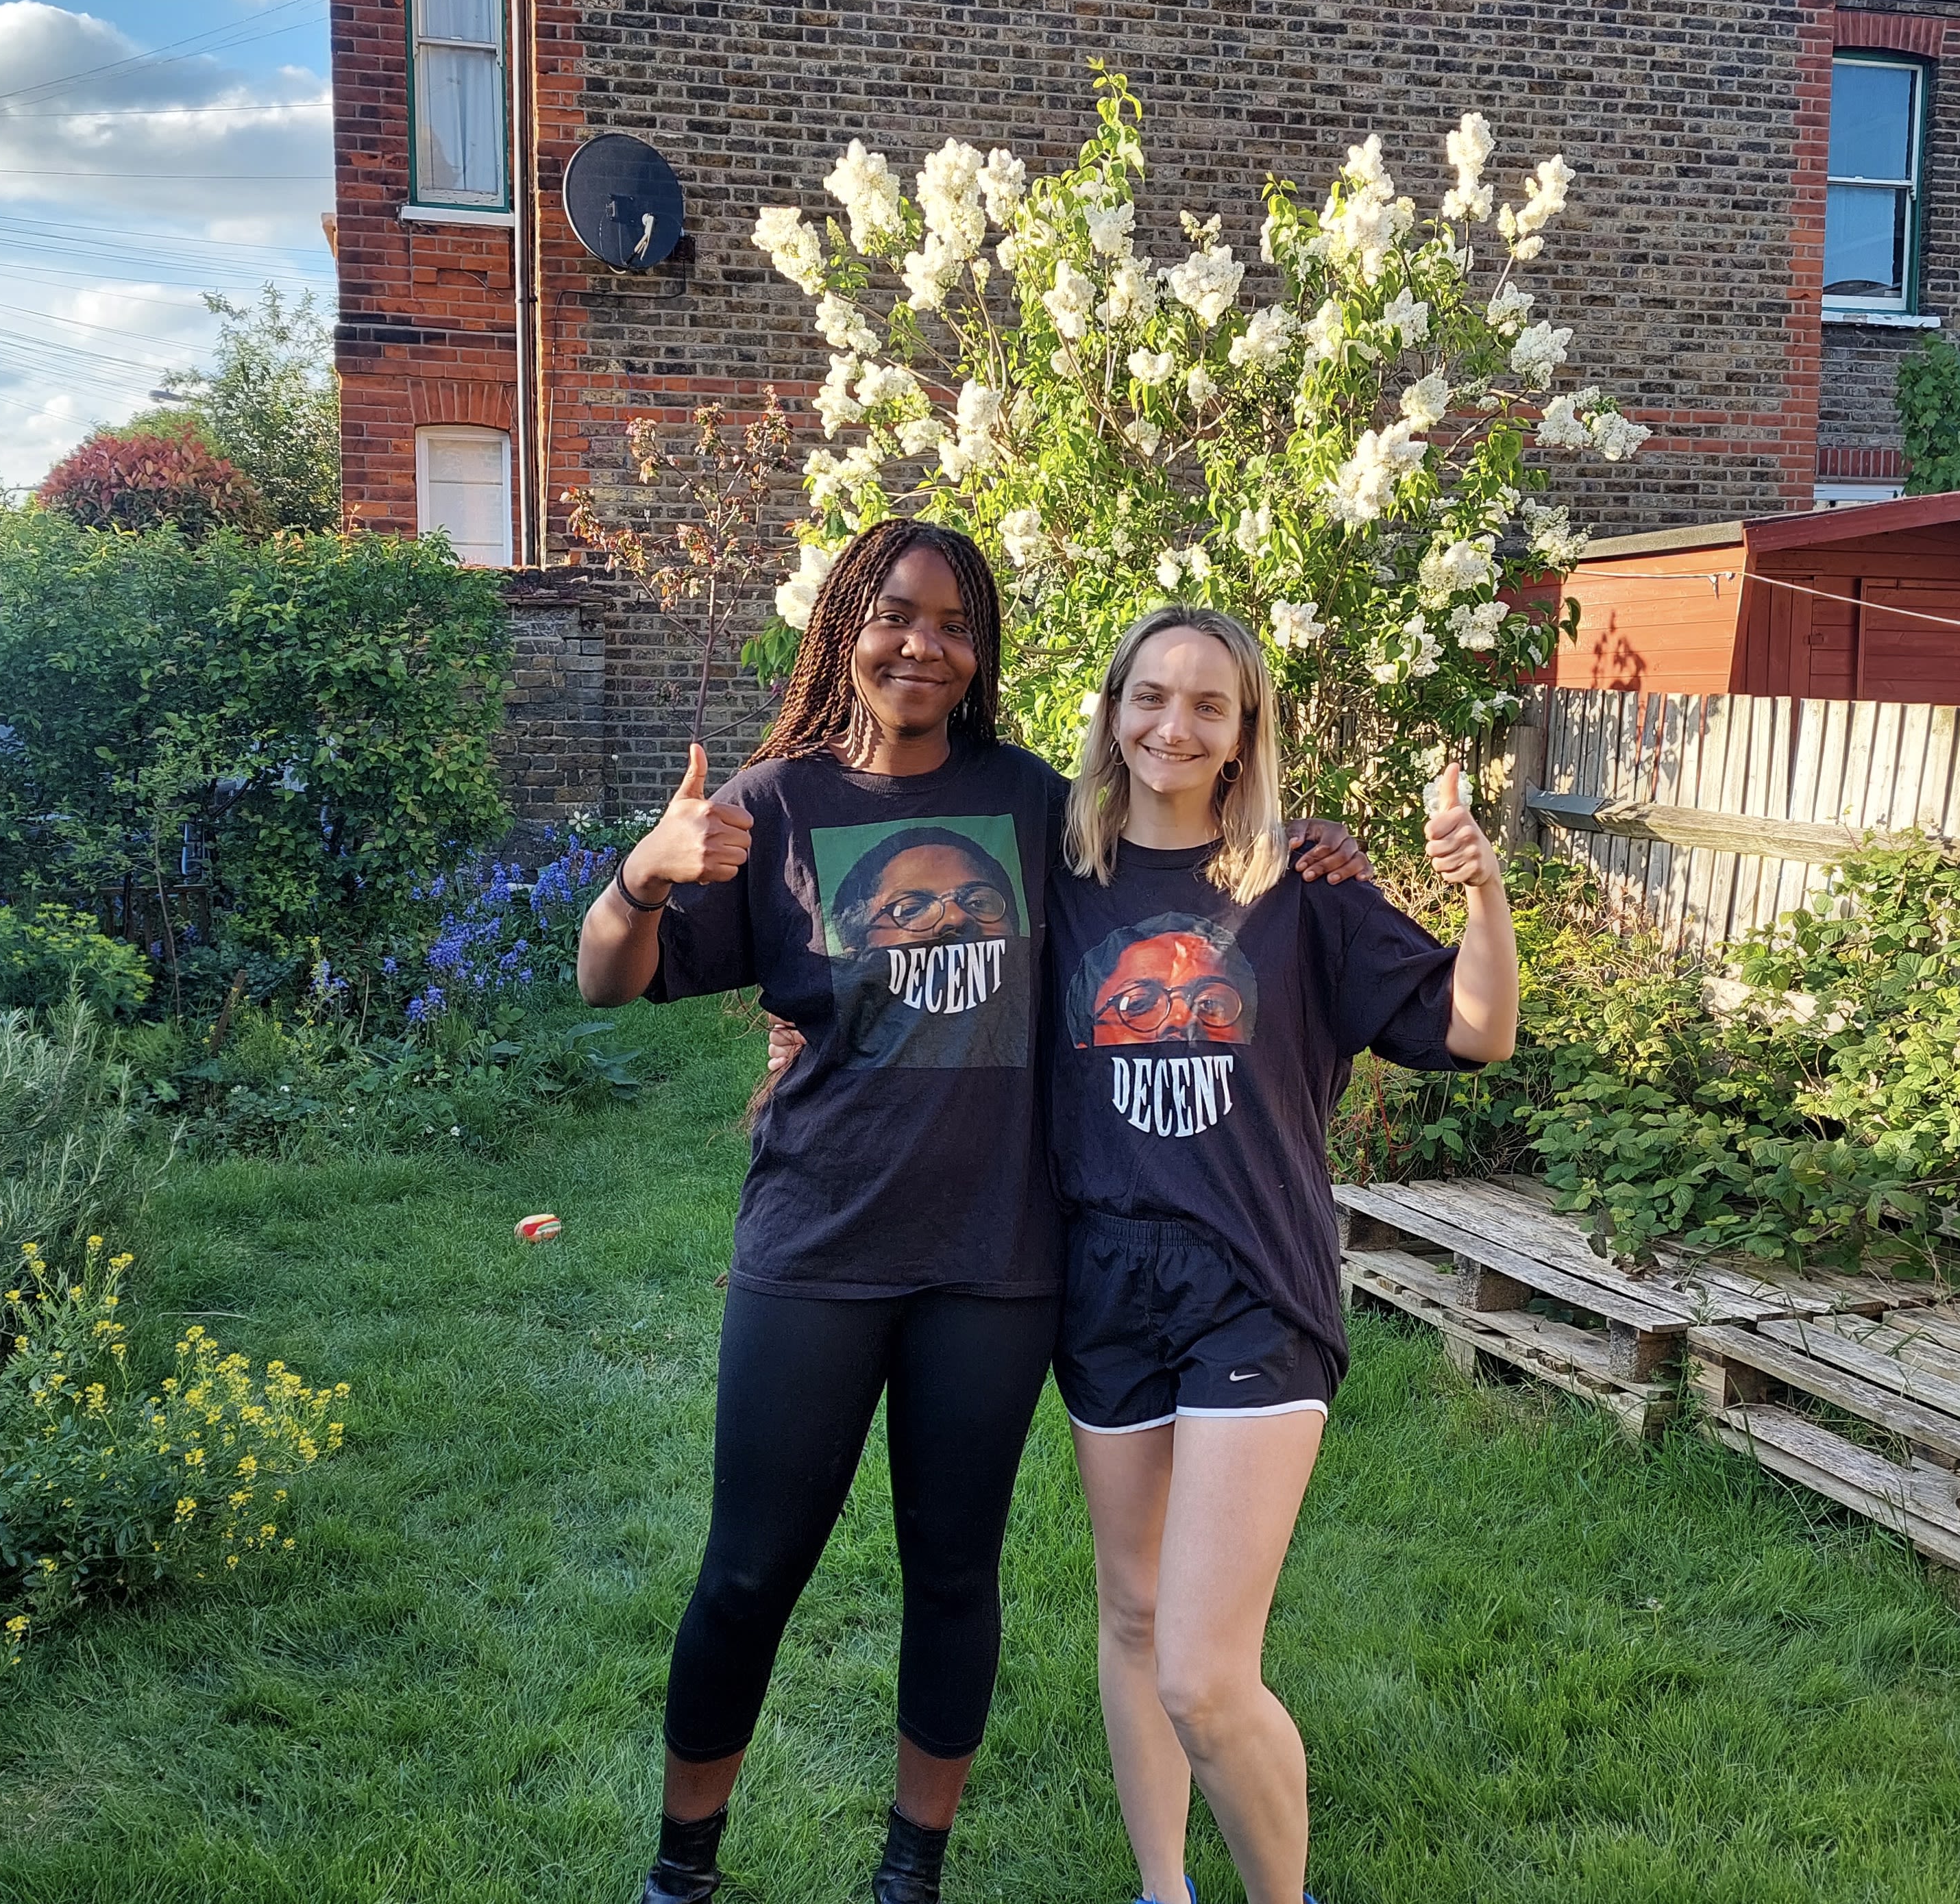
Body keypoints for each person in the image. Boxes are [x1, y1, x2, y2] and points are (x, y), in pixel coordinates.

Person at [574, 523, 1368, 1904]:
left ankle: (910, 1871)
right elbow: (607, 978)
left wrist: (1303, 850)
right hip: (815, 1246)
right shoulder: (773, 808)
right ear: (844, 628)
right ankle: (680, 1869)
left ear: (979, 651)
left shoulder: (1034, 808)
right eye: (893, 616)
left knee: (953, 1574)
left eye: (952, 624)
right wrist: (642, 877)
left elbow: (1172, 854)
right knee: (750, 1570)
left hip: (995, 1264)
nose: (920, 645)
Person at [1046, 606, 1517, 1904]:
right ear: (1112, 708)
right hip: (1103, 1284)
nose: (1171, 727)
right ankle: (1164, 1890)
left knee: (1202, 1666)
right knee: (1133, 1616)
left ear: (1246, 730)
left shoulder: (1301, 890)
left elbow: (1476, 1033)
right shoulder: (1062, 874)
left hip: (1256, 1283)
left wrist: (1481, 891)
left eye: (1208, 705)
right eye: (1149, 696)